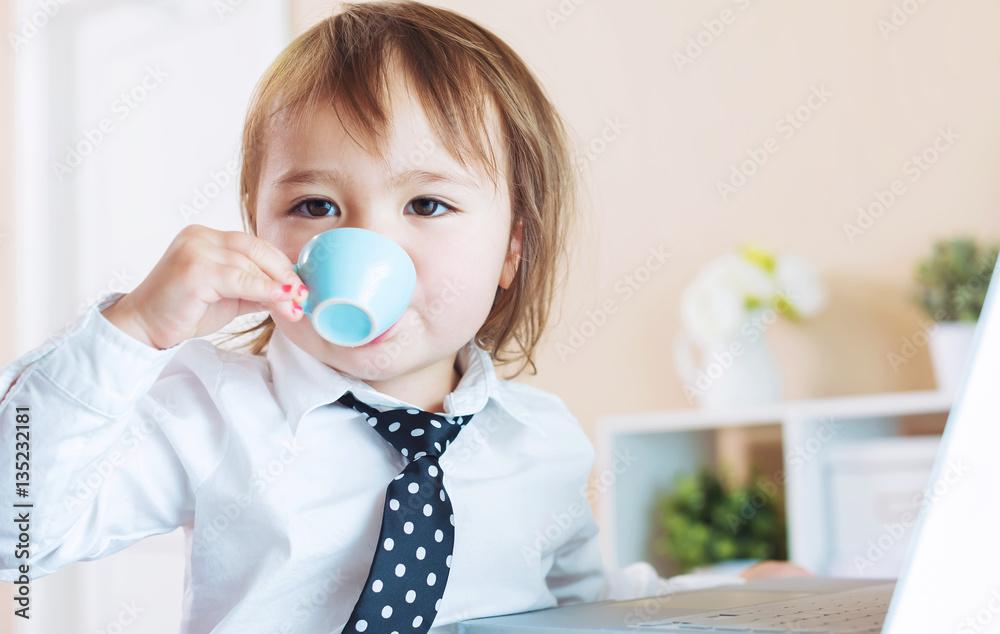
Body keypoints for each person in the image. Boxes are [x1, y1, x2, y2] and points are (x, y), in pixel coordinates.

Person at [0, 2, 807, 632]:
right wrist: (134, 332)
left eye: (426, 202)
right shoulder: (213, 410)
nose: (367, 241)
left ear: (510, 253)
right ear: (258, 230)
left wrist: (728, 596)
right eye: (316, 205)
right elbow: (16, 534)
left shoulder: (540, 437)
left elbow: (573, 609)